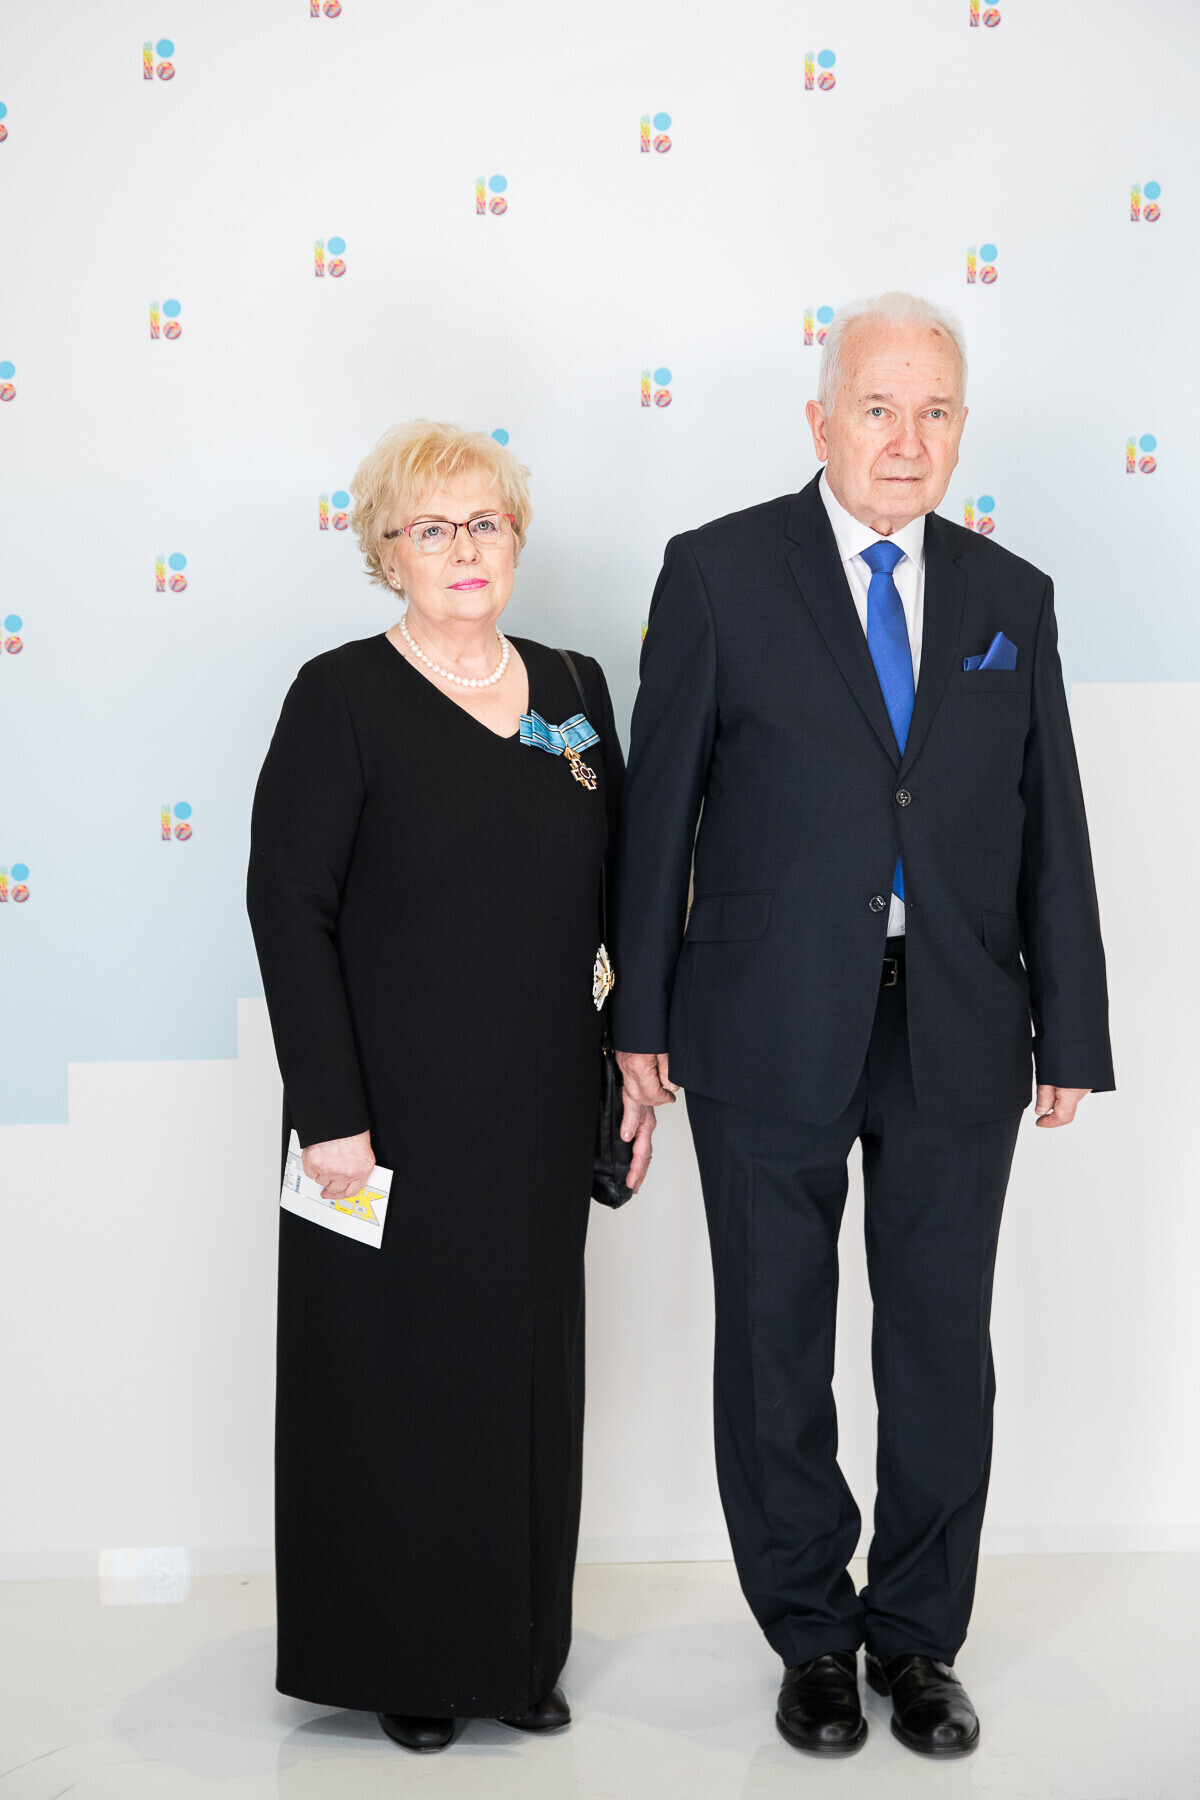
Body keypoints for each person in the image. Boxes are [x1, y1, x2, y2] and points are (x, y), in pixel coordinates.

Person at [612, 293, 1113, 1759]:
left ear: (961, 431)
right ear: (821, 419)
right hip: (760, 1016)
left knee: (940, 1343)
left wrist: (1072, 1027)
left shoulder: (1011, 596)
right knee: (775, 1339)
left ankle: (916, 1639)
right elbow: (659, 812)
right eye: (880, 408)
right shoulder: (716, 572)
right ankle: (811, 1640)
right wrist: (639, 1013)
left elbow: (1052, 821)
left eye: (935, 412)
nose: (907, 438)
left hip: (959, 1018)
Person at [247, 420, 653, 1753]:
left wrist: (633, 1064)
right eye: (432, 528)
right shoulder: (340, 697)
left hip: (538, 1106)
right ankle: (409, 1660)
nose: (463, 549)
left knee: (525, 1381)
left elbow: (624, 892)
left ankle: (518, 1653)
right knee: (396, 1383)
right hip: (382, 1120)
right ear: (388, 551)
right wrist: (330, 1116)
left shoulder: (574, 688)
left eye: (485, 523)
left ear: (516, 539)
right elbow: (288, 906)